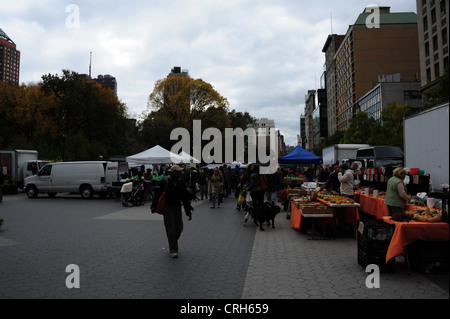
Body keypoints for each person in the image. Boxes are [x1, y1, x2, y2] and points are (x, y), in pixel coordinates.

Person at [151, 165, 193, 258]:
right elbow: (158, 194)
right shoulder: (165, 182)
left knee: (179, 228)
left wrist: (188, 212)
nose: (180, 173)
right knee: (171, 229)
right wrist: (153, 206)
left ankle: (172, 240)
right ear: (173, 172)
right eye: (178, 172)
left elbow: (184, 198)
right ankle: (173, 249)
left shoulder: (180, 183)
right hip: (167, 207)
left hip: (177, 207)